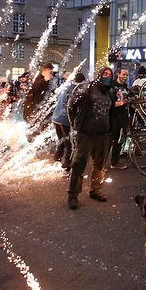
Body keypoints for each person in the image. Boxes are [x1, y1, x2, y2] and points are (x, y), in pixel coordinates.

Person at [66, 66, 115, 209]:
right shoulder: (87, 88)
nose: (107, 76)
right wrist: (74, 122)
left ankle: (95, 189)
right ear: (100, 75)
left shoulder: (110, 91)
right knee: (79, 163)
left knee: (100, 164)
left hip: (103, 134)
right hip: (86, 134)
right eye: (105, 74)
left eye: (109, 75)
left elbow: (111, 111)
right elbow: (71, 105)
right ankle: (73, 194)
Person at [52, 72, 85, 172]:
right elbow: (73, 107)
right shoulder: (76, 90)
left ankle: (57, 158)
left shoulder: (66, 87)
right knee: (70, 144)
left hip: (56, 118)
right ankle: (66, 167)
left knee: (61, 139)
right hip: (65, 119)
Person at [23, 62, 55, 139]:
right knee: (33, 127)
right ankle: (31, 140)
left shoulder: (48, 81)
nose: (51, 74)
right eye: (50, 72)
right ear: (46, 70)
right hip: (34, 109)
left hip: (44, 109)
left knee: (43, 127)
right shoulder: (37, 78)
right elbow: (33, 89)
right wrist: (45, 80)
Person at [109, 67, 130, 170]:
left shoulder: (125, 86)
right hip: (113, 117)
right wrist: (121, 103)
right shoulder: (112, 85)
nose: (125, 77)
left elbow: (127, 99)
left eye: (126, 75)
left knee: (119, 140)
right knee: (109, 141)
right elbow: (109, 102)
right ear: (118, 74)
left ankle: (115, 162)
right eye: (123, 74)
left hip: (123, 117)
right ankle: (101, 164)